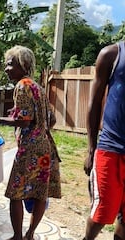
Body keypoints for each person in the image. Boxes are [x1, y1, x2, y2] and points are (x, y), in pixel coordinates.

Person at [0, 45, 61, 240]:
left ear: (23, 65)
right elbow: (51, 119)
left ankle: (18, 236)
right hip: (45, 148)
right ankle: (30, 235)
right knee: (39, 194)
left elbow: (25, 120)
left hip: (30, 150)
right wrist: (38, 126)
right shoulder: (37, 87)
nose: (6, 69)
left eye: (10, 65)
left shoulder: (22, 86)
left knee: (15, 194)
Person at [83, 42, 125, 240]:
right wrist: (91, 149)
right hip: (111, 149)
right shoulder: (112, 54)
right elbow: (94, 102)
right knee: (101, 213)